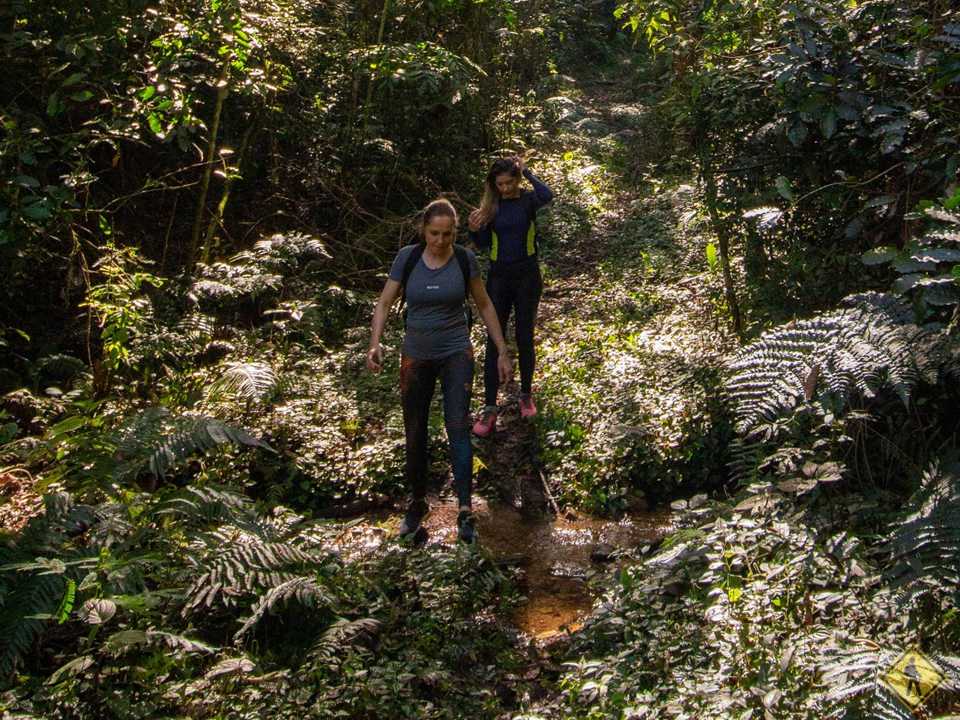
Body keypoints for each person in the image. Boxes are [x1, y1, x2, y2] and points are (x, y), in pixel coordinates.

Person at [367, 199, 513, 543]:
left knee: (457, 426)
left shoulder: (464, 258)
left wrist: (502, 351)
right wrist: (375, 343)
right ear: (424, 230)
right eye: (434, 233)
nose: (440, 240)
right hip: (415, 355)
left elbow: (484, 304)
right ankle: (417, 504)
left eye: (447, 234)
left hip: (455, 353)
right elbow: (385, 302)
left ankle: (464, 508)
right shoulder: (409, 257)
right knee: (415, 431)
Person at [468, 155, 553, 436]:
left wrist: (527, 171)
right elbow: (482, 244)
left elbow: (548, 195)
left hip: (527, 276)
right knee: (495, 339)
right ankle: (489, 407)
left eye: (508, 182)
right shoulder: (490, 207)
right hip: (499, 278)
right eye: (499, 184)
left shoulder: (529, 200)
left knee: (524, 335)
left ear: (516, 180)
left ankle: (526, 394)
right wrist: (474, 228)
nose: (504, 188)